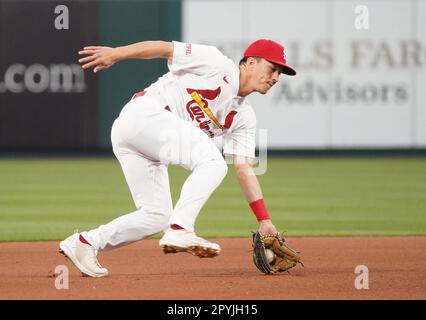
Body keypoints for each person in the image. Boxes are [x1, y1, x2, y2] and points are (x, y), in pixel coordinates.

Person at [59, 39, 296, 277]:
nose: (275, 77)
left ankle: (85, 243)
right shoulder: (216, 62)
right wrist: (116, 54)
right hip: (143, 115)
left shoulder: (244, 117)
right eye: (272, 69)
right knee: (212, 161)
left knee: (156, 216)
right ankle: (181, 228)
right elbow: (164, 48)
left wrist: (264, 220)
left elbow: (244, 169)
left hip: (144, 142)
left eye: (280, 73)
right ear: (250, 63)